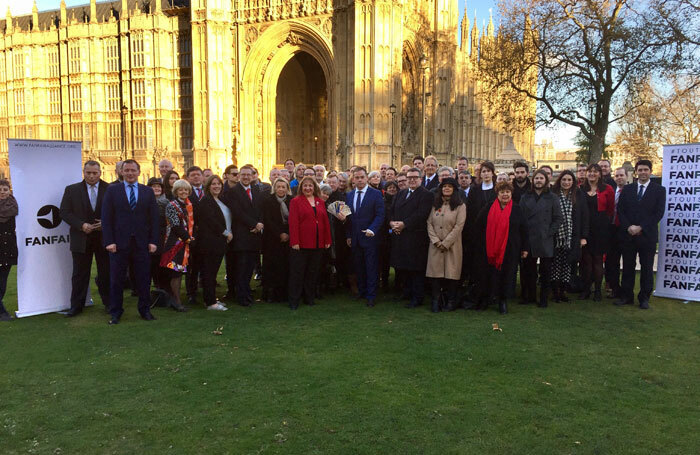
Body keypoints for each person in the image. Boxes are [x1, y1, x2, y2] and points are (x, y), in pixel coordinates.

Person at [101, 159, 160, 324]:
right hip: (118, 244)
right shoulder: (113, 190)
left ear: (139, 172)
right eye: (126, 170)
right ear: (121, 172)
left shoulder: (147, 191)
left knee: (143, 279)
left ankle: (144, 310)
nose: (130, 173)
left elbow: (153, 219)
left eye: (133, 170)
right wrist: (109, 241)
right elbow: (106, 218)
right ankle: (116, 312)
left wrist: (153, 241)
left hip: (142, 243)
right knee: (116, 280)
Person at [59, 161, 111, 317]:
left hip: (104, 238)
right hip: (81, 237)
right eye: (88, 173)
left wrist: (106, 224)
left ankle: (109, 303)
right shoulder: (72, 190)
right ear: (84, 172)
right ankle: (76, 306)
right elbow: (64, 212)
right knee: (80, 274)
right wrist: (81, 225)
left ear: (100, 172)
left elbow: (119, 212)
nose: (91, 176)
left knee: (106, 273)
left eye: (95, 173)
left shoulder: (110, 189)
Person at [615, 160, 666, 309]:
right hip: (628, 234)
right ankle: (626, 296)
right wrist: (629, 226)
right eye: (640, 170)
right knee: (628, 267)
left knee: (647, 268)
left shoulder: (659, 190)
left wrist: (641, 227)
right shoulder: (628, 189)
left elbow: (658, 213)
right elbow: (621, 211)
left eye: (646, 170)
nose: (643, 172)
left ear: (650, 171)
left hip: (647, 236)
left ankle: (644, 298)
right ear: (636, 172)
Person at [474, 181, 529, 314]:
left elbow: (524, 229)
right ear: (497, 194)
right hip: (489, 249)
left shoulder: (517, 209)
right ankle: (486, 299)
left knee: (506, 275)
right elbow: (478, 225)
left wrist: (525, 248)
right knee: (487, 275)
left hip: (510, 249)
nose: (505, 195)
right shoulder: (488, 207)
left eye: (507, 192)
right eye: (502, 192)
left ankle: (502, 301)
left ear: (511, 193)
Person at [389, 168, 433, 308]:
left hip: (416, 238)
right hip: (400, 236)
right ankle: (406, 292)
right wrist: (392, 223)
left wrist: (404, 224)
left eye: (415, 177)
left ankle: (417, 297)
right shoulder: (401, 193)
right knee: (404, 268)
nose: (412, 180)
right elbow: (392, 210)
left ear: (421, 179)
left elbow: (422, 214)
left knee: (416, 269)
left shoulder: (426, 195)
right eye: (409, 178)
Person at [340, 167, 384, 307]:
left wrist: (372, 229)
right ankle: (362, 291)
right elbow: (348, 218)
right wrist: (348, 235)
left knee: (371, 267)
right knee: (359, 267)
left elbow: (380, 215)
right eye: (357, 177)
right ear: (353, 179)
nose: (359, 180)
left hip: (370, 237)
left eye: (362, 177)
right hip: (355, 238)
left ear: (366, 178)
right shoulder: (349, 195)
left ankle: (371, 296)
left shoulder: (376, 194)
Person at [520, 169, 562, 308]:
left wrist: (549, 232)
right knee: (528, 271)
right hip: (529, 238)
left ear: (546, 180)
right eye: (536, 178)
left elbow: (558, 218)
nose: (538, 180)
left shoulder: (553, 197)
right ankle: (529, 296)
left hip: (545, 238)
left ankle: (543, 298)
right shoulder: (525, 196)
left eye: (541, 178)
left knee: (545, 271)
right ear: (533, 180)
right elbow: (521, 217)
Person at [222, 165, 264, 307]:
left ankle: (247, 293)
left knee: (249, 267)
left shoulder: (257, 190)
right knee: (241, 267)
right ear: (239, 176)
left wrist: (259, 224)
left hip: (255, 236)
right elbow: (237, 212)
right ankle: (241, 296)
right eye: (243, 174)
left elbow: (260, 210)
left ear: (253, 176)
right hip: (241, 235)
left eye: (249, 174)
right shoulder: (233, 192)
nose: (246, 177)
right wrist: (254, 224)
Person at [288, 176, 332, 309]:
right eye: (305, 186)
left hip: (317, 244)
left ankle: (309, 298)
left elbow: (325, 222)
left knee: (312, 273)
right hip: (301, 244)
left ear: (315, 188)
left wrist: (327, 240)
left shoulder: (320, 201)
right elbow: (293, 223)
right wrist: (295, 241)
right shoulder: (295, 201)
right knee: (298, 273)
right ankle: (294, 300)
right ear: (301, 187)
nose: (308, 188)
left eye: (310, 186)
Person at [426, 178, 466, 313]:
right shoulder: (435, 204)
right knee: (435, 275)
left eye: (450, 186)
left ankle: (450, 301)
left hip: (452, 246)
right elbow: (429, 223)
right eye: (444, 186)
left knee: (451, 274)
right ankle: (435, 301)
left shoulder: (460, 206)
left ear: (454, 189)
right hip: (435, 245)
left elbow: (459, 226)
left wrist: (446, 243)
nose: (447, 189)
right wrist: (436, 241)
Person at [192, 175, 231, 311]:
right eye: (213, 184)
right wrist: (226, 233)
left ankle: (211, 299)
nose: (216, 186)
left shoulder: (219, 200)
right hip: (209, 243)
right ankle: (210, 303)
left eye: (219, 184)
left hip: (218, 242)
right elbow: (211, 221)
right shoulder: (206, 201)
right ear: (208, 186)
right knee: (209, 273)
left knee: (212, 273)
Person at [550, 170, 589, 303]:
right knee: (555, 264)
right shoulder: (553, 194)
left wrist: (583, 236)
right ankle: (555, 291)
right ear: (559, 181)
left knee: (567, 265)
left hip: (571, 235)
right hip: (556, 236)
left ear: (573, 182)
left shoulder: (578, 195)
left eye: (569, 180)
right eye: (564, 180)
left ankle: (563, 291)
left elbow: (584, 216)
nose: (566, 182)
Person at [579, 163, 615, 301]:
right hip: (585, 228)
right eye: (590, 171)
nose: (592, 174)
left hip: (601, 228)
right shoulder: (581, 189)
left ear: (600, 174)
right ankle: (586, 289)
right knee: (586, 261)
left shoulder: (607, 189)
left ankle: (598, 290)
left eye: (595, 171)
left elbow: (611, 210)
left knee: (598, 260)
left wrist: (604, 223)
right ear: (586, 173)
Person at [159, 179, 194, 312]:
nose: (183, 192)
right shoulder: (172, 205)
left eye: (186, 189)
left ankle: (176, 299)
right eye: (180, 189)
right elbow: (175, 226)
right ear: (176, 191)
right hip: (175, 244)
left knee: (180, 272)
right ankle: (176, 301)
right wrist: (188, 239)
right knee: (176, 273)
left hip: (185, 242)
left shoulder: (188, 205)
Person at [465, 161, 497, 306]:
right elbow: (470, 212)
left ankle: (492, 295)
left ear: (492, 173)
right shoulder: (475, 190)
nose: (485, 174)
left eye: (488, 171)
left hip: (494, 234)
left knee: (492, 266)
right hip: (478, 234)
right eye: (483, 171)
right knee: (479, 266)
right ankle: (479, 295)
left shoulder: (497, 190)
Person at [262, 178, 292, 302]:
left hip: (288, 239)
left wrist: (288, 233)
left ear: (287, 189)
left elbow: (295, 219)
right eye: (278, 187)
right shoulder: (268, 201)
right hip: (272, 239)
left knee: (286, 266)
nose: (281, 189)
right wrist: (280, 233)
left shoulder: (292, 201)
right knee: (271, 267)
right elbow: (268, 220)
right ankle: (270, 294)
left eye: (283, 187)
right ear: (274, 188)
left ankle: (284, 293)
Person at [605, 167, 628, 299]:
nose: (619, 178)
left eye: (621, 175)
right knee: (612, 261)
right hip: (612, 230)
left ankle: (625, 290)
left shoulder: (631, 191)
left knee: (627, 262)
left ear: (627, 176)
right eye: (617, 175)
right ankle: (614, 287)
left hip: (625, 230)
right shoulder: (612, 191)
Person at [0, 179, 17, 322]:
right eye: (0, 190)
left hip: (8, 247)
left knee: (3, 280)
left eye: (5, 190)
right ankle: (2, 312)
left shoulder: (14, 205)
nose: (2, 192)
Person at [379, 181, 399, 288]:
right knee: (385, 260)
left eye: (394, 187)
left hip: (397, 232)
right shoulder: (382, 201)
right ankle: (385, 282)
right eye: (389, 187)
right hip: (385, 234)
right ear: (385, 190)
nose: (392, 189)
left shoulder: (400, 200)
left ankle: (398, 283)